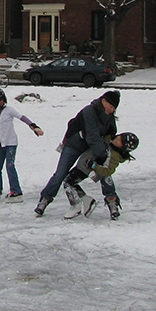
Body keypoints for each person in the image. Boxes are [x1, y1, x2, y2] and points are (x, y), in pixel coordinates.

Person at [35, 89, 120, 217]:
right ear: (103, 101)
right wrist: (102, 154)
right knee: (60, 174)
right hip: (74, 144)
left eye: (114, 108)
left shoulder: (109, 118)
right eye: (111, 106)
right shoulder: (89, 111)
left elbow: (110, 136)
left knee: (104, 171)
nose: (112, 110)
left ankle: (112, 201)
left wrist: (108, 155)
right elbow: (92, 136)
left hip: (91, 148)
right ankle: (44, 200)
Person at [61, 132, 139, 220]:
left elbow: (107, 170)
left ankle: (78, 205)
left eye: (120, 142)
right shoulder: (108, 138)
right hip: (84, 164)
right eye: (120, 137)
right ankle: (87, 201)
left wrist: (94, 166)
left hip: (88, 169)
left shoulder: (114, 155)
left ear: (123, 148)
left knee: (68, 182)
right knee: (69, 182)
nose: (117, 139)